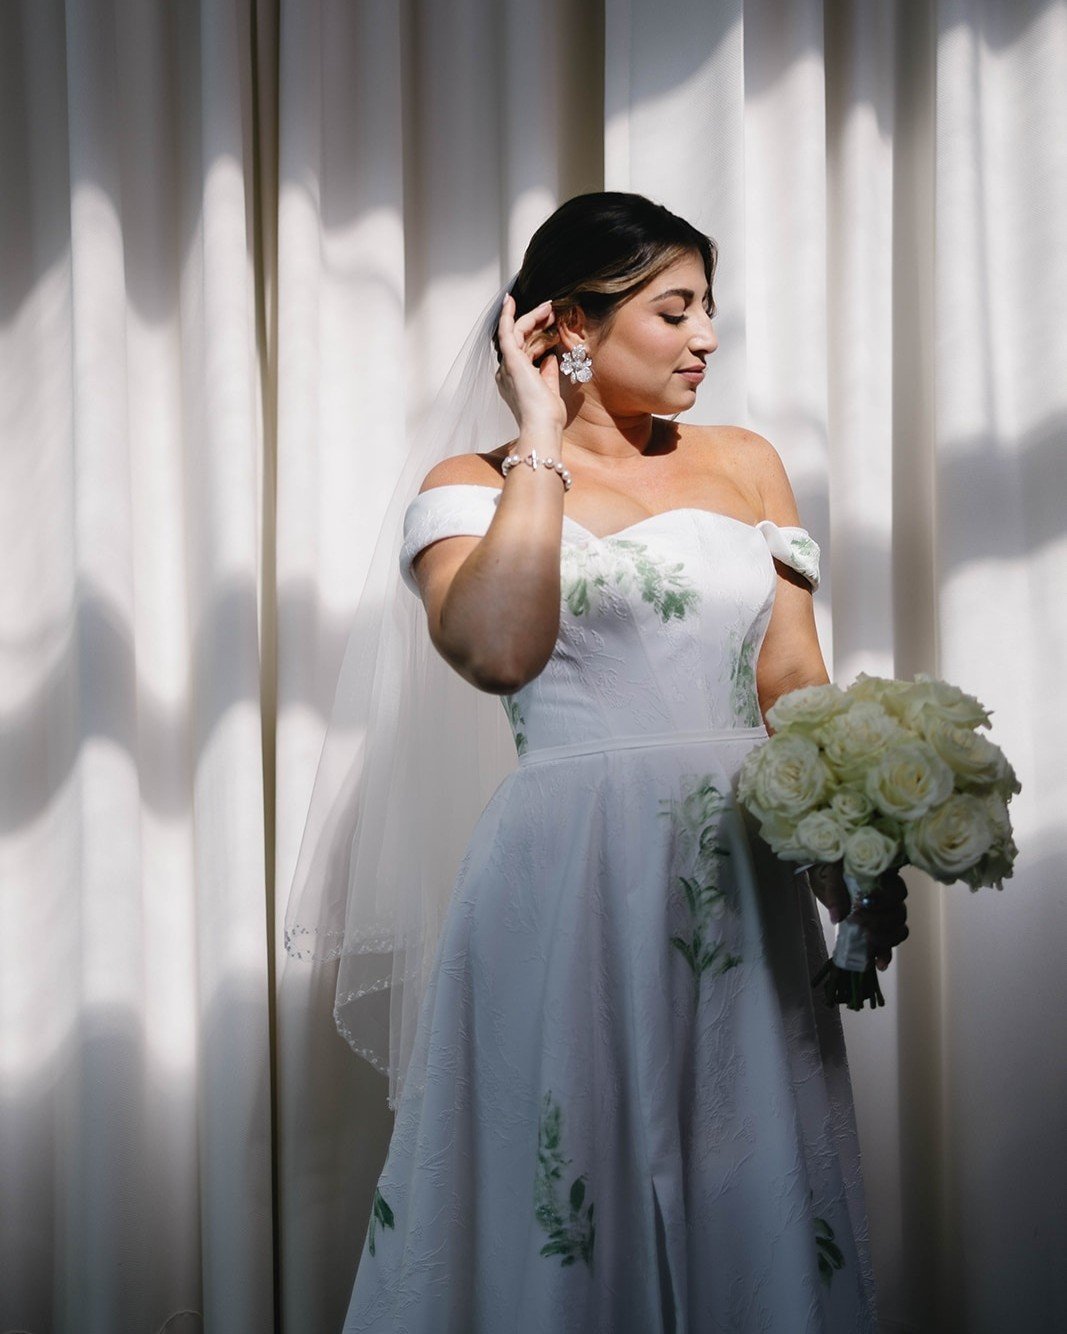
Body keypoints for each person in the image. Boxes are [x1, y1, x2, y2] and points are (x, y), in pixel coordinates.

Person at [325, 192, 907, 1331]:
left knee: (746, 1159)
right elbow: (499, 648)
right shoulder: (472, 482)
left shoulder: (746, 464)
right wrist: (538, 440)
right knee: (568, 1164)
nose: (706, 337)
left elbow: (793, 690)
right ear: (569, 327)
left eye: (708, 309)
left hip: (740, 871)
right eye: (674, 308)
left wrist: (853, 855)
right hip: (569, 874)